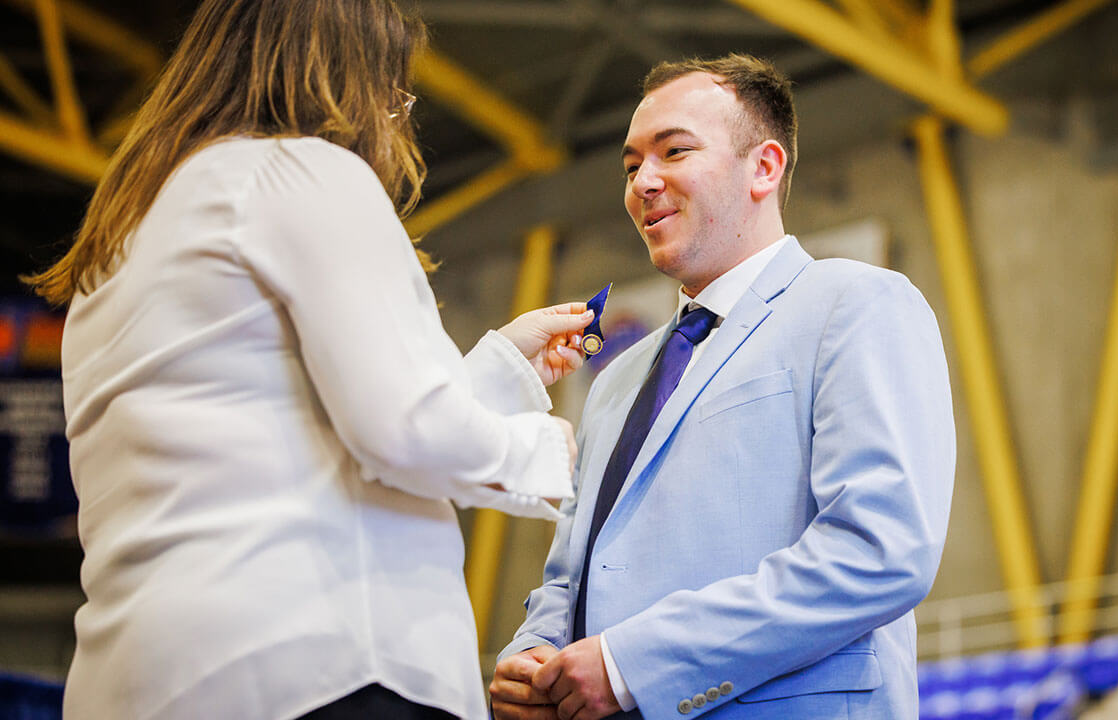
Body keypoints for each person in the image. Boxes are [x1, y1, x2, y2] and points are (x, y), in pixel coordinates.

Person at [23, 1, 594, 719]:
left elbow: (286, 425)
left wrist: (499, 372)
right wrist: (539, 451)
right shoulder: (302, 170)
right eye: (399, 91)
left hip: (146, 676)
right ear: (358, 78)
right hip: (319, 664)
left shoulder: (123, 242)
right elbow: (404, 428)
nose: (398, 114)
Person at [490, 54, 955, 720]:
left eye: (673, 152)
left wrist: (632, 665)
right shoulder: (614, 379)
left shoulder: (856, 305)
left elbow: (879, 551)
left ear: (764, 167)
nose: (642, 181)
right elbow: (572, 573)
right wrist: (534, 653)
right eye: (629, 166)